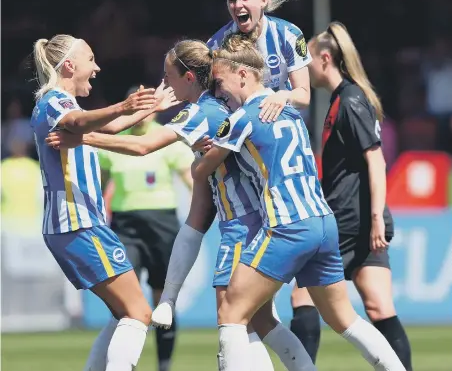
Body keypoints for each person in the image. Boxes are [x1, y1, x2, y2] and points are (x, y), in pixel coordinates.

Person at [46, 39, 317, 371]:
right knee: (259, 321)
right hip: (251, 219)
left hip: (241, 223)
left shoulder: (203, 110)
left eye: (168, 74)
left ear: (188, 77)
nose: (165, 83)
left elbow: (145, 145)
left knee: (233, 319)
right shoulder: (221, 103)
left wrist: (82, 138)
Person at [191, 33, 407, 371]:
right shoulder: (291, 114)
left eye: (220, 81)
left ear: (243, 75)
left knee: (231, 312)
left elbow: (201, 170)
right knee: (345, 320)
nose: (219, 91)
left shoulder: (241, 120)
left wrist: (201, 153)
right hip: (322, 222)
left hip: (286, 226)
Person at [31, 34, 172, 371]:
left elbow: (106, 125)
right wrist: (125, 105)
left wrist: (148, 107)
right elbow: (78, 124)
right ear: (69, 65)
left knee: (123, 314)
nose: (97, 66)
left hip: (80, 225)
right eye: (90, 59)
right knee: (139, 312)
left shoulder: (66, 104)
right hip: (77, 225)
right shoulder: (55, 102)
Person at [208, 0, 321, 354]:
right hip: (241, 165)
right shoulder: (218, 44)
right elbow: (211, 102)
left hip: (286, 164)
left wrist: (281, 96)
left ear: (264, 1)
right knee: (247, 301)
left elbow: (305, 94)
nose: (237, 4)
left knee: (303, 293)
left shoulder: (289, 34)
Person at [291, 21, 412, 370]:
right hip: (358, 218)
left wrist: (375, 218)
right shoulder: (343, 99)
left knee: (303, 296)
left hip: (350, 220)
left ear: (325, 58)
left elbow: (376, 160)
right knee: (378, 307)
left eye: (308, 59)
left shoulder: (350, 100)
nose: (305, 67)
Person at [98, 93, 194, 371]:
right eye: (141, 108)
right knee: (126, 302)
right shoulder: (116, 141)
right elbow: (103, 185)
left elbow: (191, 180)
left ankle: (164, 365)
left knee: (162, 302)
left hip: (162, 225)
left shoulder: (166, 138)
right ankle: (123, 363)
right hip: (125, 226)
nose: (146, 113)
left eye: (150, 108)